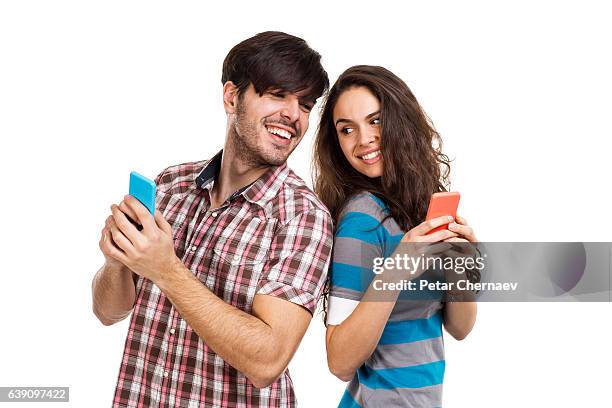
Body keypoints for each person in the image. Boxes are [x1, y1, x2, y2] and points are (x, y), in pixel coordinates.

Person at [92, 31, 333, 407]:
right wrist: (117, 260)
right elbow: (107, 311)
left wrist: (166, 269)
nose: (294, 115)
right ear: (232, 97)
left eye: (305, 104)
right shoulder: (170, 186)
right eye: (277, 94)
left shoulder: (303, 217)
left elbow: (267, 359)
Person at [313, 65, 478, 407]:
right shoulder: (362, 218)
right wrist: (398, 267)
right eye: (347, 130)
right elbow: (339, 360)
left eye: (375, 121)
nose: (364, 139)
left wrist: (462, 267)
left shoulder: (418, 209)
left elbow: (460, 329)